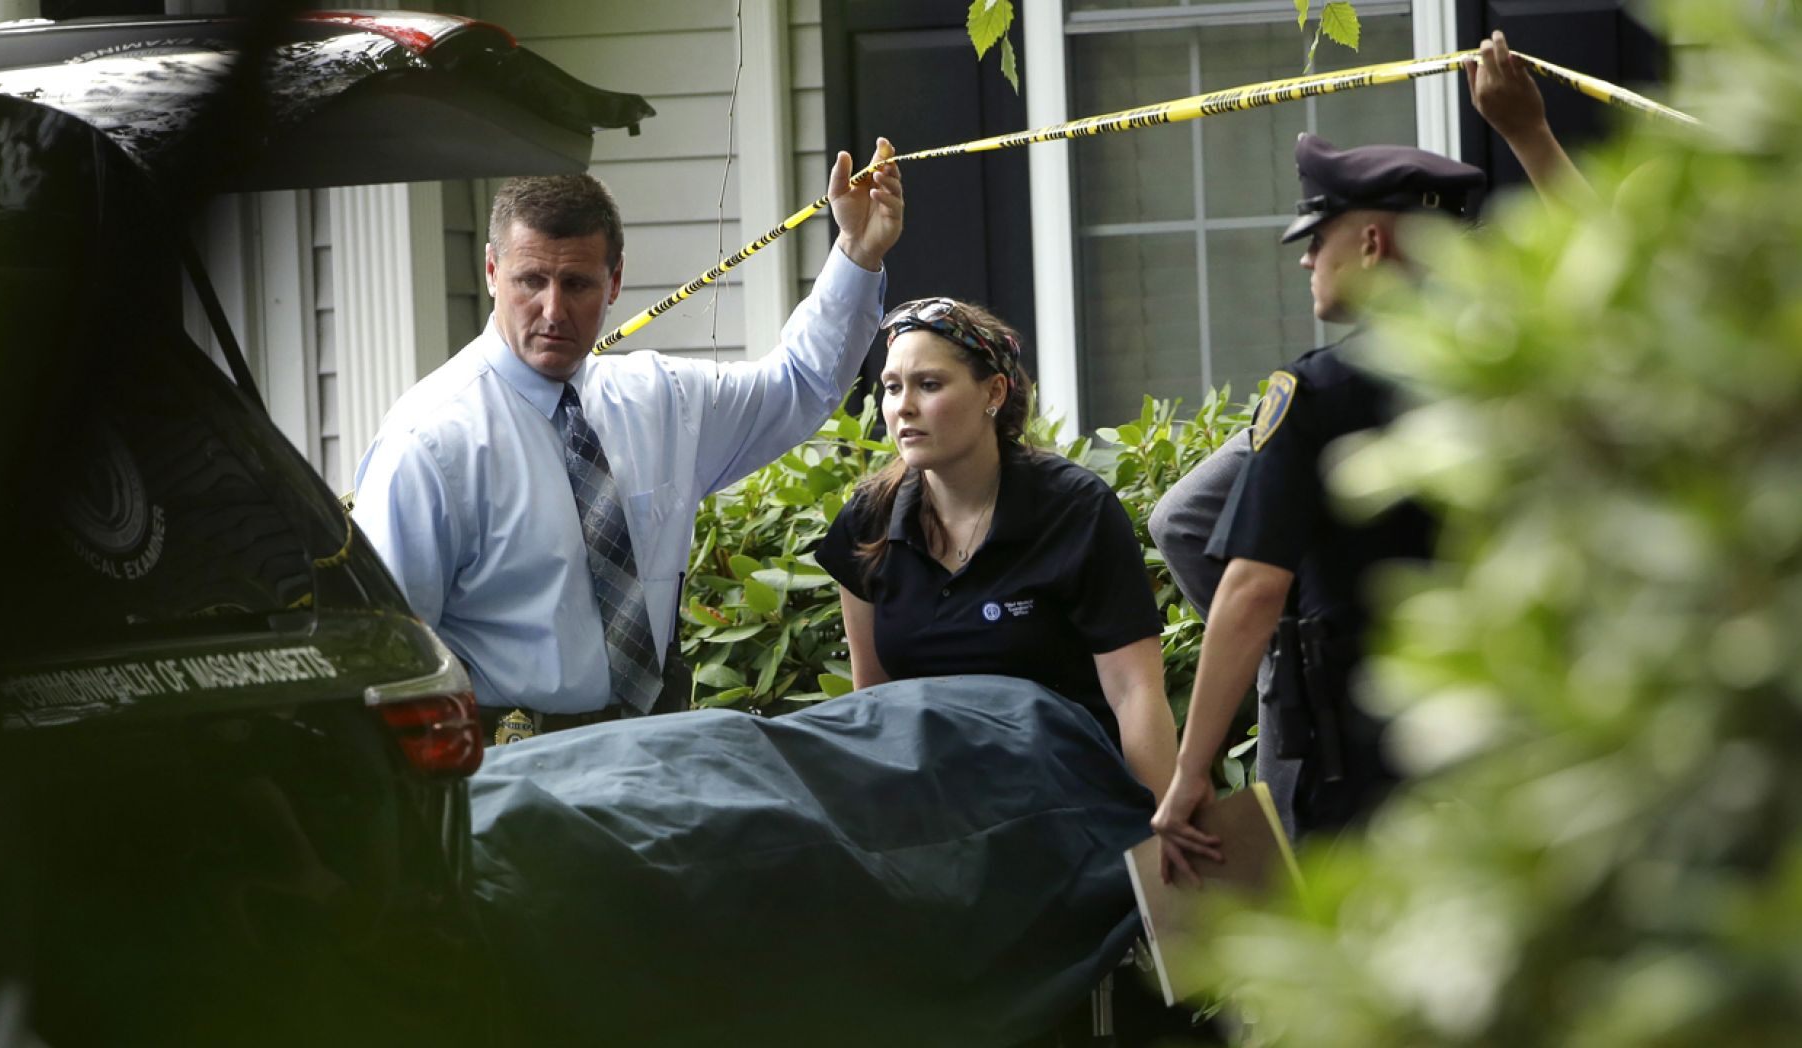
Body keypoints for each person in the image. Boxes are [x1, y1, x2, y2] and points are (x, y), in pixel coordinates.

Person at [1148, 30, 1584, 865]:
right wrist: (1529, 133)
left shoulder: (1319, 396)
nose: (1308, 257)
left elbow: (1243, 587)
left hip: (1366, 774)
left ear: (1374, 244)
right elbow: (1610, 289)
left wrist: (1192, 768)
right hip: (1522, 748)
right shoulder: (1522, 363)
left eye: (1318, 237)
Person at [352, 141, 904, 744]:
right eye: (529, 280)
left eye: (577, 283)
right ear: (490, 271)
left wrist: (856, 252)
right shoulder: (428, 443)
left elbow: (798, 385)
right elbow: (388, 661)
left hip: (654, 752)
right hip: (510, 771)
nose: (552, 309)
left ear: (615, 280)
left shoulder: (660, 400)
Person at [814, 299, 1178, 798]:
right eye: (893, 387)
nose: (904, 406)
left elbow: (1135, 693)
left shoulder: (1075, 510)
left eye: (929, 384)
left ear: (994, 392)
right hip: (941, 809)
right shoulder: (868, 518)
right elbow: (873, 701)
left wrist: (1161, 830)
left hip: (1069, 798)